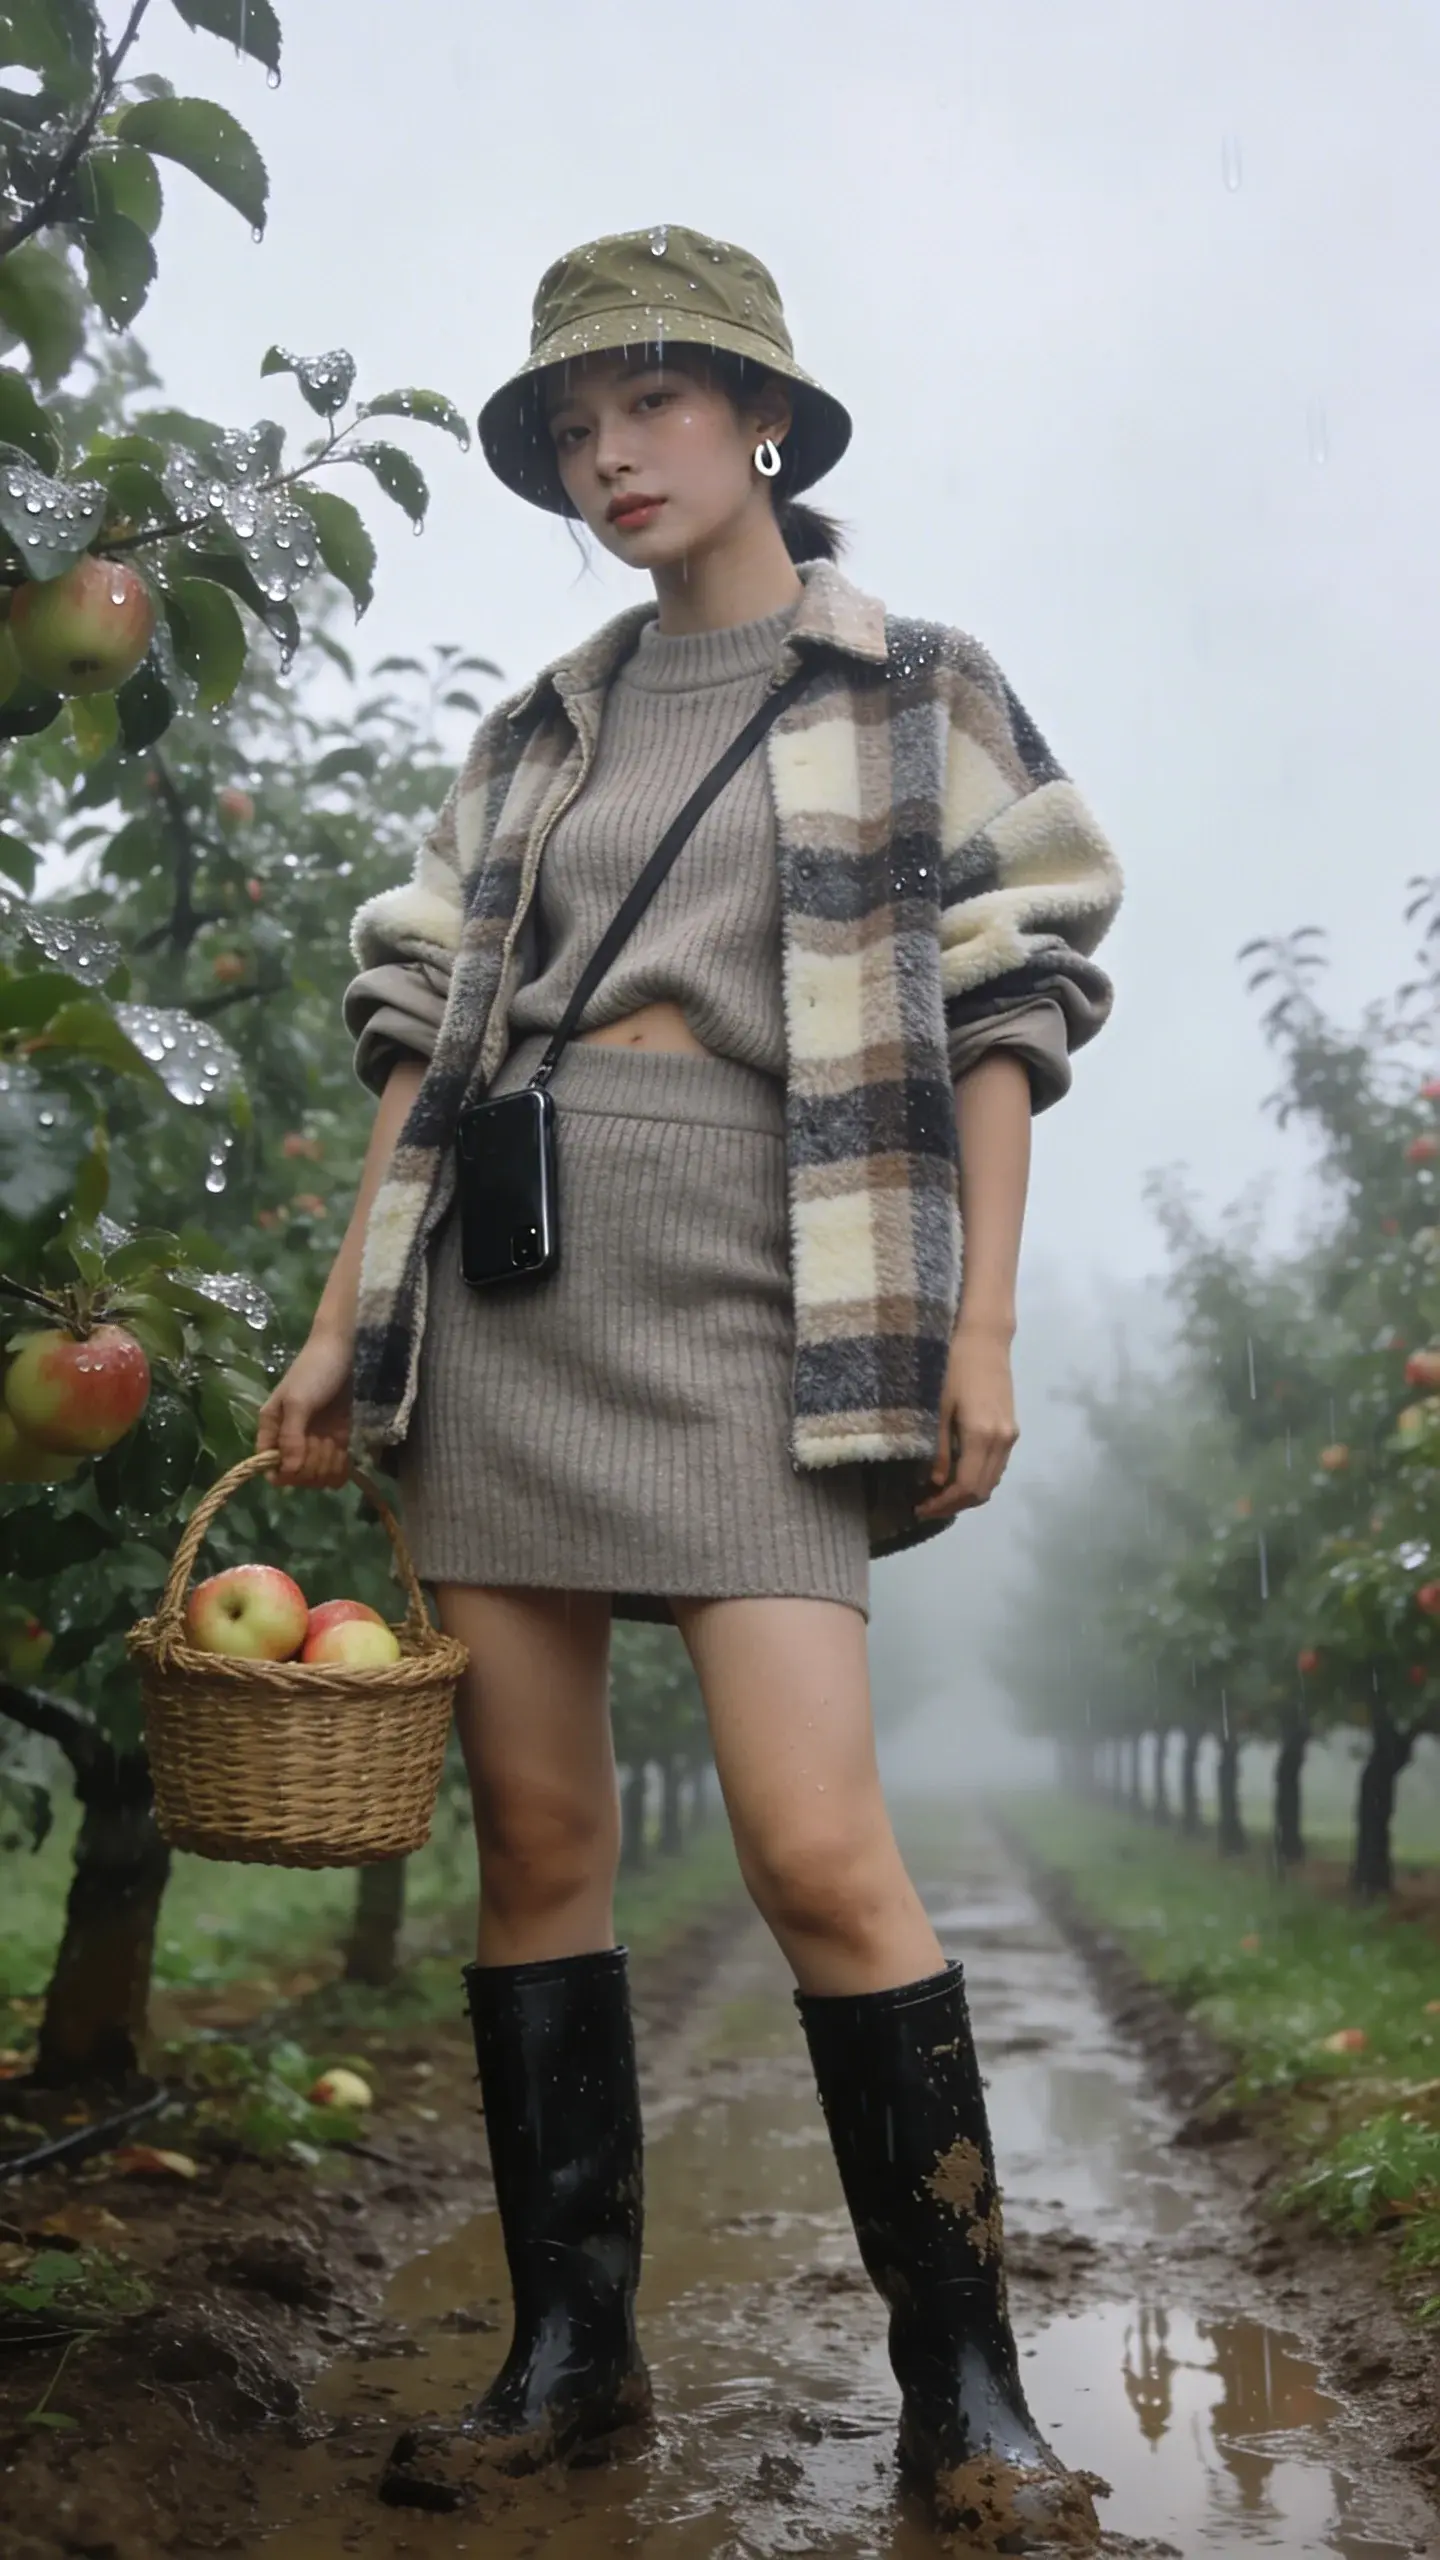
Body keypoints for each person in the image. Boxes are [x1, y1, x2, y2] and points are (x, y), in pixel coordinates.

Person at [255, 224, 1123, 2544]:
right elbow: (424, 1035)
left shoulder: (913, 683)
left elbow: (1006, 1008)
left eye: (647, 403)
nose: (603, 452)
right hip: (514, 1295)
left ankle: (973, 2397)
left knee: (823, 1850)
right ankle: (571, 2361)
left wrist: (985, 1322)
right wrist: (349, 1318)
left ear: (760, 417)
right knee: (534, 1840)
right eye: (567, 422)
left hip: (780, 1283)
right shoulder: (537, 724)